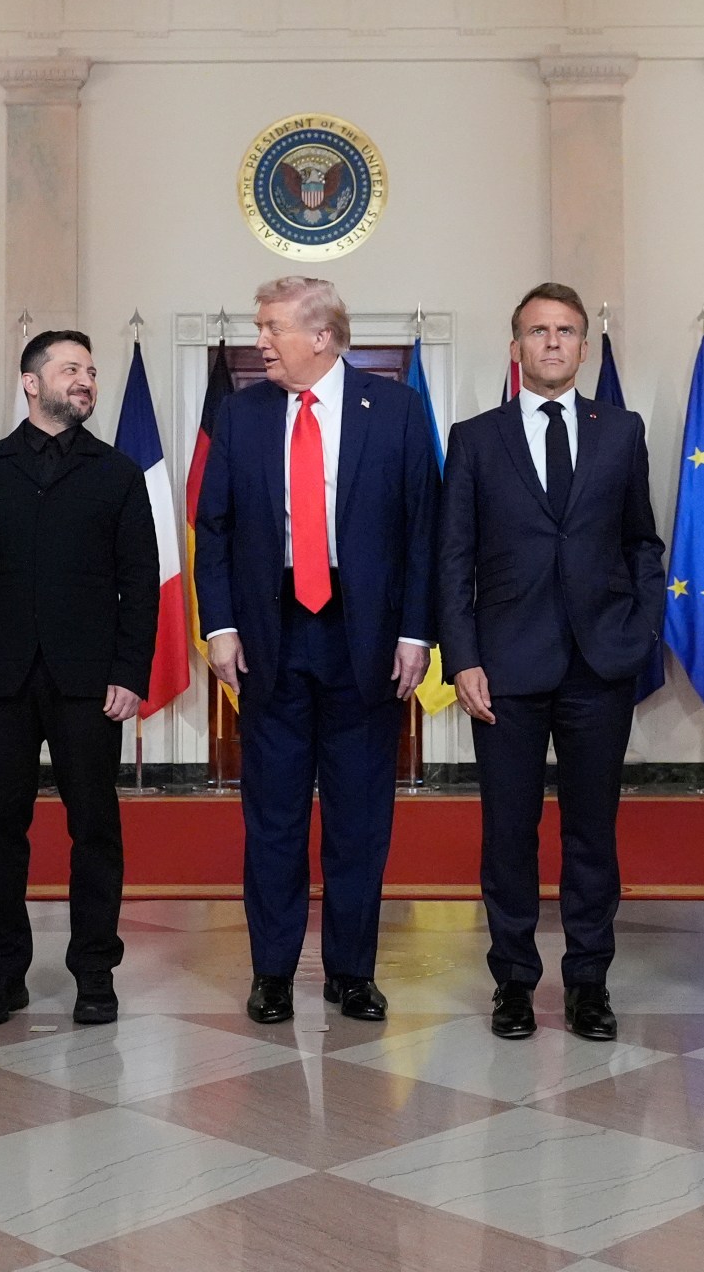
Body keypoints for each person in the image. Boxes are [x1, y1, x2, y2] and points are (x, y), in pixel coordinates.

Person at [195, 275, 439, 1025]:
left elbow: (423, 530)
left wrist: (413, 632)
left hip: (363, 639)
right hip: (271, 638)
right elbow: (217, 528)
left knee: (360, 816)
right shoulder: (241, 416)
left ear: (322, 336)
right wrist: (222, 625)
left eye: (270, 327)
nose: (259, 339)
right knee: (272, 816)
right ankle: (272, 972)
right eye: (258, 326)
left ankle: (352, 972)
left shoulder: (395, 411)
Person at [439, 283, 663, 1042]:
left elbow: (643, 544)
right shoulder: (475, 437)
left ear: (583, 346)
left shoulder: (620, 430)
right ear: (516, 346)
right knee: (509, 833)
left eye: (566, 330)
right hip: (504, 667)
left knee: (593, 834)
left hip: (600, 665)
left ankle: (590, 983)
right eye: (538, 331)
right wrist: (461, 658)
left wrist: (639, 634)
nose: (553, 342)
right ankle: (513, 982)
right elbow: (454, 558)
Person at [0, 330, 158, 1028]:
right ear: (31, 383)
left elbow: (140, 584)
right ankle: (1, 975)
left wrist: (130, 672)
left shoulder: (117, 473)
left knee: (96, 828)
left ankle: (95, 973)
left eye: (90, 371)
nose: (85, 380)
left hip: (91, 682)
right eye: (70, 370)